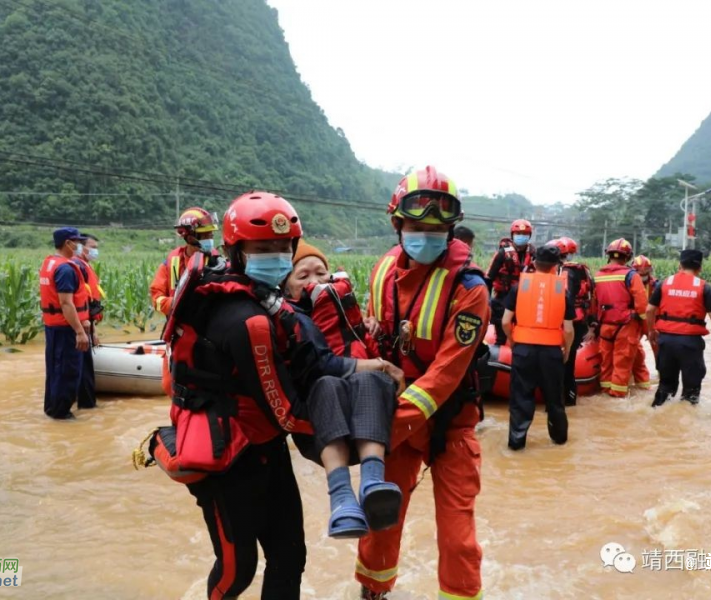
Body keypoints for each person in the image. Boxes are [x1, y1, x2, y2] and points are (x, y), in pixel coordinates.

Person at [165, 192, 399, 598]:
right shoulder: (248, 319)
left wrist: (365, 374)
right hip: (230, 456)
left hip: (266, 449)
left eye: (281, 247)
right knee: (237, 571)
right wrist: (355, 434)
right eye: (262, 248)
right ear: (236, 253)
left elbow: (312, 365)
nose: (275, 255)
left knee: (290, 556)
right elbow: (287, 413)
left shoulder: (271, 303)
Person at [357, 166, 490, 600]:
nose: (427, 236)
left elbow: (445, 375)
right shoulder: (382, 273)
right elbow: (369, 341)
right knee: (379, 525)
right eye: (417, 226)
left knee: (457, 539)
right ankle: (373, 591)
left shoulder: (469, 289)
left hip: (448, 424)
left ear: (451, 231)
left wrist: (381, 430)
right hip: (395, 420)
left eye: (438, 229)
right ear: (399, 225)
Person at [283, 240, 407, 539]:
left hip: (365, 408)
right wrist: (379, 364)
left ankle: (373, 482)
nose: (315, 282)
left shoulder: (347, 315)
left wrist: (372, 332)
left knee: (369, 378)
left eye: (321, 273)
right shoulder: (286, 320)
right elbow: (322, 366)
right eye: (303, 276)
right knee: (328, 384)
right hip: (321, 418)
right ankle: (341, 498)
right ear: (286, 288)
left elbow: (366, 353)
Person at [501, 244, 574, 450]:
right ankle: (559, 441)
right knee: (555, 400)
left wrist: (513, 340)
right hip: (551, 352)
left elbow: (506, 321)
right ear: (556, 265)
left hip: (523, 350)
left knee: (520, 399)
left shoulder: (519, 287)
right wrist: (566, 350)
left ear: (534, 263)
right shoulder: (563, 290)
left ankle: (516, 444)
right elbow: (568, 330)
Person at [647, 249, 711, 407]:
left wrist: (651, 330)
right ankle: (687, 422)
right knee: (691, 391)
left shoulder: (664, 284)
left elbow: (649, 310)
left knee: (665, 387)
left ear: (679, 264)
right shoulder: (704, 288)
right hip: (690, 344)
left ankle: (657, 417)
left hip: (666, 341)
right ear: (700, 267)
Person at [40, 227, 90, 420]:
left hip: (53, 327)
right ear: (68, 243)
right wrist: (79, 331)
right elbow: (66, 303)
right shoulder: (65, 269)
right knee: (68, 372)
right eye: (76, 242)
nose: (79, 245)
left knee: (55, 370)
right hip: (65, 328)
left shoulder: (50, 263)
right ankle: (61, 415)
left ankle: (52, 409)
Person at [593, 238, 649, 398]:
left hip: (605, 326)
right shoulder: (631, 275)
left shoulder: (598, 276)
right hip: (626, 326)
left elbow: (594, 303)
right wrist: (646, 329)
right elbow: (641, 305)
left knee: (606, 363)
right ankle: (617, 398)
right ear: (628, 257)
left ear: (609, 255)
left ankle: (605, 393)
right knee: (622, 364)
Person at [149, 207, 218, 317]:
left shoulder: (217, 261)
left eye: (211, 235)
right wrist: (174, 304)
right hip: (178, 325)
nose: (210, 239)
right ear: (190, 238)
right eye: (205, 235)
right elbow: (156, 296)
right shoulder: (171, 262)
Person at [554, 237, 596, 406]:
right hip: (581, 321)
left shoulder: (565, 272)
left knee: (566, 363)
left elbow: (565, 299)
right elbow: (592, 298)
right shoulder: (583, 270)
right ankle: (569, 401)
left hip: (568, 322)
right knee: (568, 363)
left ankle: (567, 401)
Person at [486, 218, 535, 344]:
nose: (521, 237)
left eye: (525, 234)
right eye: (518, 234)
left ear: (529, 236)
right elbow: (489, 277)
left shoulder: (534, 254)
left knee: (522, 331)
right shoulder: (502, 254)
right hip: (503, 296)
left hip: (525, 298)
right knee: (501, 330)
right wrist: (487, 301)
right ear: (512, 235)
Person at [72, 233, 104, 409]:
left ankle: (86, 403)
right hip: (82, 325)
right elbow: (81, 301)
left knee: (84, 368)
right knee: (83, 369)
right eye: (92, 247)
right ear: (81, 248)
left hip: (86, 323)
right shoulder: (78, 267)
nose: (95, 251)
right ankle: (87, 405)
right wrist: (90, 329)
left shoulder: (84, 266)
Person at [630, 254, 656, 389]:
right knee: (631, 347)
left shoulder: (655, 284)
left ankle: (661, 371)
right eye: (641, 273)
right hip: (634, 319)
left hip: (650, 319)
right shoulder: (628, 280)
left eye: (646, 273)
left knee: (657, 346)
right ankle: (633, 376)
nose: (644, 275)